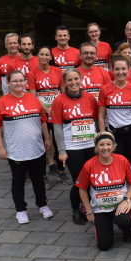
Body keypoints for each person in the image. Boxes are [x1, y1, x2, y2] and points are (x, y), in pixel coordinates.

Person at [0, 70, 53, 224]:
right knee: (18, 181)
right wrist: (0, 147)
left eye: (21, 80)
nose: (18, 84)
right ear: (8, 83)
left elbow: (43, 121)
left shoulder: (33, 99)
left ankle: (43, 205)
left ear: (25, 82)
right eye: (15, 81)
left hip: (36, 148)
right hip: (16, 150)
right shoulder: (1, 102)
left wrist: (47, 138)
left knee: (38, 179)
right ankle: (21, 210)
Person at [49, 68, 98, 225]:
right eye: (69, 80)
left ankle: (88, 207)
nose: (73, 82)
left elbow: (96, 120)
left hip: (91, 145)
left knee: (92, 178)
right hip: (73, 146)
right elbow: (57, 128)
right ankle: (75, 210)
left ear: (81, 79)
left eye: (76, 79)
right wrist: (61, 151)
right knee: (79, 181)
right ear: (65, 82)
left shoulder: (90, 97)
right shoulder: (59, 100)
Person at [76, 132, 131, 248]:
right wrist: (89, 211)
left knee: (124, 221)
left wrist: (127, 199)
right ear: (96, 147)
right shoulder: (89, 165)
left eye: (108, 144)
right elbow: (82, 189)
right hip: (100, 208)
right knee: (104, 245)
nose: (105, 148)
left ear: (114, 146)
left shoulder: (122, 160)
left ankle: (126, 229)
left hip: (120, 204)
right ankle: (104, 226)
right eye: (101, 145)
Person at [26, 46, 68, 188]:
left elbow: (62, 93)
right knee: (43, 141)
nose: (44, 57)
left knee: (58, 140)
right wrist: (46, 110)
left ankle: (61, 170)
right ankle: (43, 175)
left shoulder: (58, 71)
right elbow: (32, 96)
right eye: (42, 54)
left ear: (51, 57)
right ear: (37, 56)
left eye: (47, 54)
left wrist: (56, 109)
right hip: (41, 113)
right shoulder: (32, 73)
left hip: (56, 113)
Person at [98, 56, 131, 171]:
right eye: (117, 69)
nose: (121, 72)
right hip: (114, 134)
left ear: (129, 69)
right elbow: (101, 115)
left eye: (124, 69)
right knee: (115, 165)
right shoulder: (105, 89)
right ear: (112, 70)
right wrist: (102, 136)